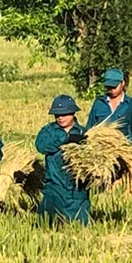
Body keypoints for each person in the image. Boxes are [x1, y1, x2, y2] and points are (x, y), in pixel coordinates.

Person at [35, 95, 91, 225]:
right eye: (57, 115)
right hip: (53, 187)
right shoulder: (48, 131)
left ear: (73, 113)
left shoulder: (85, 133)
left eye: (64, 114)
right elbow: (41, 146)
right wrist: (65, 140)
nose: (60, 117)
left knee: (79, 227)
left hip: (77, 190)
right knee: (49, 226)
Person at [86, 68, 132, 146]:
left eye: (114, 86)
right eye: (108, 86)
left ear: (122, 83)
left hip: (124, 149)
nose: (111, 90)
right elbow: (90, 127)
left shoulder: (131, 105)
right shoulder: (99, 103)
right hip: (101, 149)